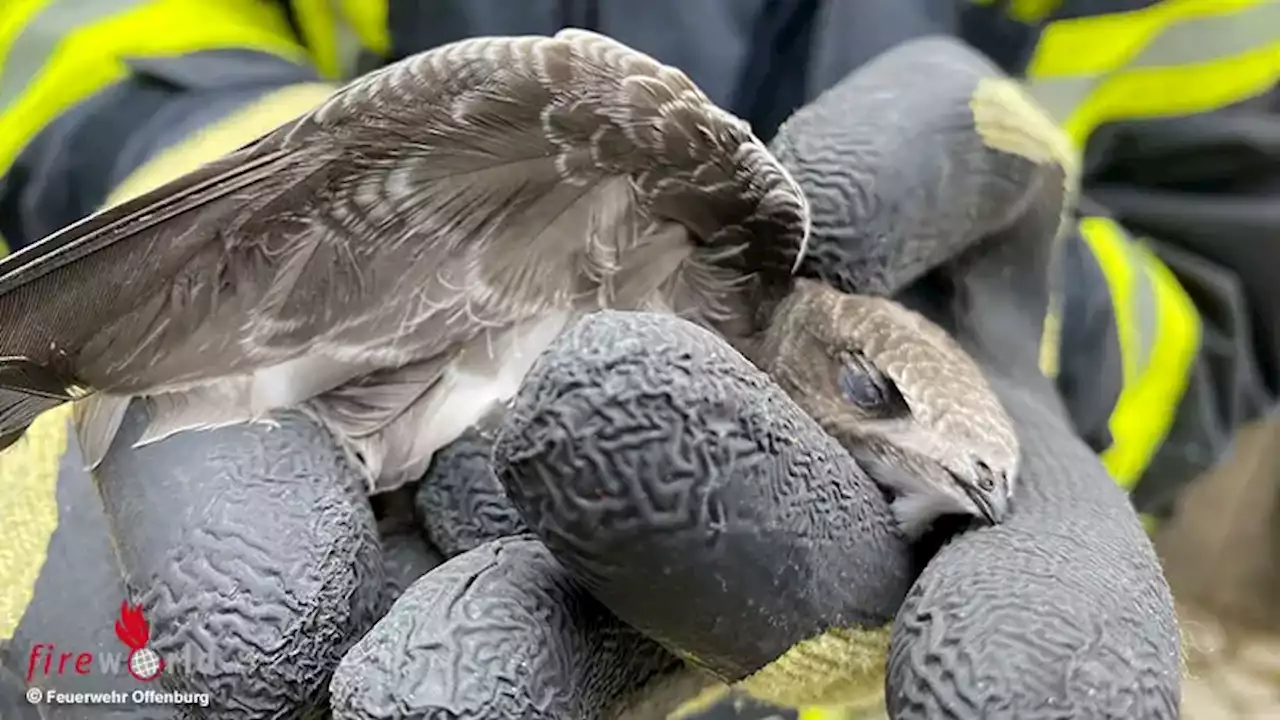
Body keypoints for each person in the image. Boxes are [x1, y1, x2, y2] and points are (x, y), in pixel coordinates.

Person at [0, 1, 1273, 718]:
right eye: (868, 400)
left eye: (949, 493)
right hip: (294, 423)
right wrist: (257, 183)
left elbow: (1226, 266)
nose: (917, 469)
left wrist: (1043, 351)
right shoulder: (677, 214)